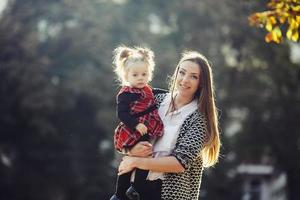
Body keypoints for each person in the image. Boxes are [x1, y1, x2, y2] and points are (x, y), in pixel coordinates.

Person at [118, 51, 221, 200]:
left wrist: (136, 161)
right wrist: (131, 149)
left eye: (194, 76)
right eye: (182, 72)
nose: (185, 80)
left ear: (201, 83)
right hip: (132, 189)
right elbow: (125, 132)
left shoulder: (199, 120)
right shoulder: (155, 100)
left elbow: (179, 163)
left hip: (166, 193)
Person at [110, 46, 164, 200]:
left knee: (145, 158)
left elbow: (158, 93)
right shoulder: (125, 94)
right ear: (126, 76)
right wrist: (135, 124)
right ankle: (119, 193)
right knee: (129, 161)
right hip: (131, 130)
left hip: (145, 129)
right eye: (135, 75)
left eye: (144, 74)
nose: (141, 78)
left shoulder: (147, 90)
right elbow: (121, 114)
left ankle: (135, 188)